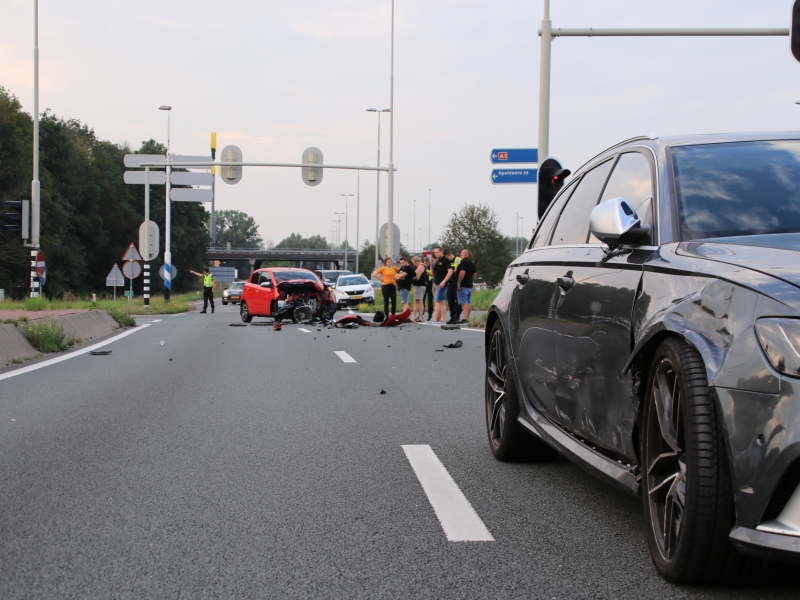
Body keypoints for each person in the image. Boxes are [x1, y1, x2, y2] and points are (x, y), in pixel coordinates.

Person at [431, 246, 453, 323]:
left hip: (442, 284)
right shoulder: (437, 261)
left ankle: (434, 319)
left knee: (437, 300)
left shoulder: (445, 260)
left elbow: (450, 271)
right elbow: (433, 274)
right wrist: (432, 266)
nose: (436, 254)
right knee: (441, 301)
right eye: (435, 252)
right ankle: (442, 318)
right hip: (437, 283)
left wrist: (444, 281)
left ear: (441, 252)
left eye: (438, 252)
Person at [456, 249, 477, 323]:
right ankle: (468, 317)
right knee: (468, 301)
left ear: (461, 255)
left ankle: (464, 318)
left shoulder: (463, 262)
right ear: (468, 255)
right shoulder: (471, 263)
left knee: (464, 302)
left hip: (463, 285)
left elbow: (462, 272)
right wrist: (471, 280)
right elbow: (474, 273)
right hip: (469, 285)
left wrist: (458, 283)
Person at [445, 250, 461, 324]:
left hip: (457, 282)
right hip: (450, 283)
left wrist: (453, 271)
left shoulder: (458, 259)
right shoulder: (448, 262)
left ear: (449, 254)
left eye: (447, 257)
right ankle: (452, 317)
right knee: (450, 300)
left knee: (458, 301)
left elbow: (459, 270)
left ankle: (457, 317)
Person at [410, 256, 428, 322]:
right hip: (418, 286)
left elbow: (417, 277)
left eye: (414, 263)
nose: (414, 265)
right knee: (416, 301)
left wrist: (409, 278)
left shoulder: (421, 266)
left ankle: (420, 317)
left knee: (419, 301)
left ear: (417, 261)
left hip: (420, 286)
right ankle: (415, 317)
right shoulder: (420, 266)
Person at [422, 257, 434, 321]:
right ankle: (421, 314)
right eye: (424, 263)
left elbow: (433, 275)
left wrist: (429, 273)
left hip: (430, 285)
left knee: (430, 300)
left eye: (427, 263)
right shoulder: (422, 267)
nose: (425, 264)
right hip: (424, 285)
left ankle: (430, 315)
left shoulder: (431, 267)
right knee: (422, 300)